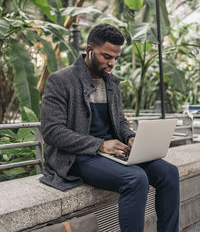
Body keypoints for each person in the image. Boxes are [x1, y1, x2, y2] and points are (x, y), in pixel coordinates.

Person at [40, 24, 180, 232]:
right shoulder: (61, 80)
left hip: (113, 153)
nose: (111, 63)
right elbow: (52, 132)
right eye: (106, 56)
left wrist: (131, 138)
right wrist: (100, 145)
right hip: (78, 157)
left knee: (169, 173)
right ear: (89, 50)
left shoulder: (112, 83)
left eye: (115, 58)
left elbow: (120, 122)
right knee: (135, 179)